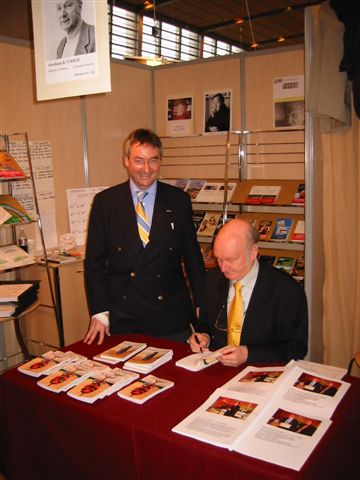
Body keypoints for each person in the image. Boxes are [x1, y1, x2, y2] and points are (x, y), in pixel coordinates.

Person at [84, 128, 205, 345]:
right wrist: (99, 311)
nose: (146, 169)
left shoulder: (179, 200)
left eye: (153, 161)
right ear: (126, 161)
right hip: (124, 314)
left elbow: (192, 256)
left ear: (160, 161)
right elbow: (95, 263)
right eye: (139, 161)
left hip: (170, 315)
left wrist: (202, 302)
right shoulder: (106, 202)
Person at [189, 219, 308, 367]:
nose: (223, 268)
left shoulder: (286, 290)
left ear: (253, 252)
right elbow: (205, 323)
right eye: (218, 259)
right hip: (217, 368)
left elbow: (296, 348)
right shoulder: (213, 279)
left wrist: (248, 354)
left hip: (261, 371)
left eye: (231, 260)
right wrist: (203, 336)